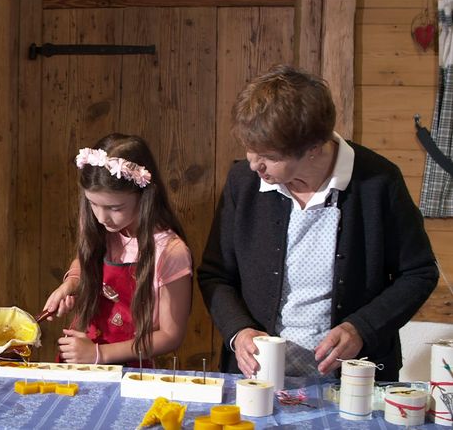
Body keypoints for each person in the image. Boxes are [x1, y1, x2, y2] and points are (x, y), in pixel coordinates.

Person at [198, 64, 438, 382]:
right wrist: (238, 331)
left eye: (268, 156)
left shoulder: (378, 182)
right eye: (250, 149)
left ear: (313, 147)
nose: (254, 164)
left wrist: (362, 328)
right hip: (257, 379)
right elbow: (216, 275)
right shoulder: (244, 182)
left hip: (354, 380)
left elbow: (419, 273)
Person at [42, 133, 193, 365]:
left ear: (144, 195)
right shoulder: (104, 227)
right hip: (82, 358)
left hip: (127, 368)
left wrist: (99, 354)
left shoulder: (170, 251)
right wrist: (72, 283)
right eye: (93, 204)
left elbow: (171, 336)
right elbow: (84, 261)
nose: (103, 218)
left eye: (115, 207)